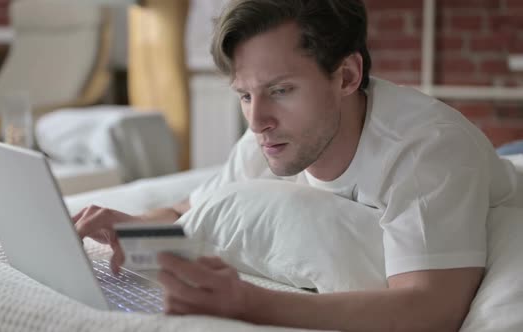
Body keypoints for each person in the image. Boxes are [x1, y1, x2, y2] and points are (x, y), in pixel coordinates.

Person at [73, 0, 521, 330]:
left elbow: (430, 310)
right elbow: (184, 210)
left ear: (346, 76)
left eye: (281, 90)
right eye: (245, 95)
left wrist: (249, 303)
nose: (257, 119)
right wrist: (131, 227)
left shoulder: (426, 151)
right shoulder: (268, 138)